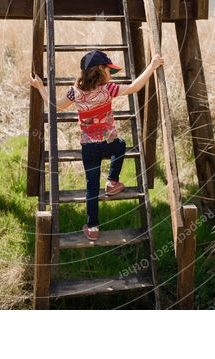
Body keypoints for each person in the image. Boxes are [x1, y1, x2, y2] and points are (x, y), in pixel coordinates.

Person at [29, 49, 164, 241]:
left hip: (89, 147)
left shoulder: (75, 93)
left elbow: (55, 106)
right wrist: (151, 67)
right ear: (101, 70)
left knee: (91, 187)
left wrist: (40, 87)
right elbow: (135, 87)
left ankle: (92, 227)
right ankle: (112, 182)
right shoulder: (108, 89)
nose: (111, 74)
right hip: (109, 143)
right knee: (121, 145)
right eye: (109, 70)